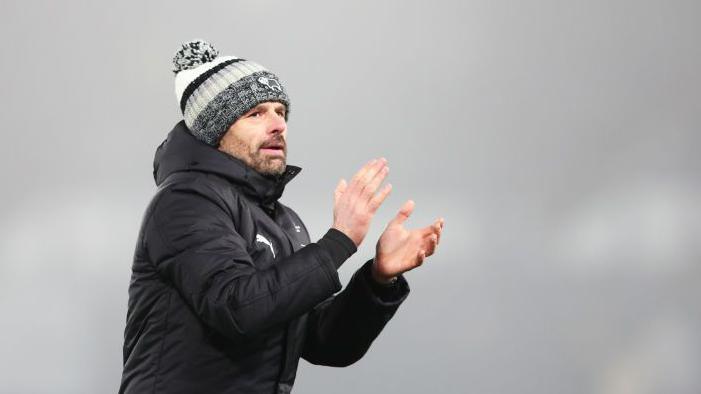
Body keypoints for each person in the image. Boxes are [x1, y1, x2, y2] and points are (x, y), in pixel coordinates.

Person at [119, 39, 444, 394]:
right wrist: (340, 241)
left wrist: (377, 280)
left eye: (281, 112)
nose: (278, 125)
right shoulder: (185, 201)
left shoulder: (283, 220)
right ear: (214, 130)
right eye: (255, 113)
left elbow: (324, 342)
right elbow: (237, 308)